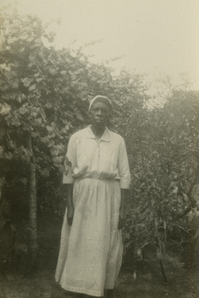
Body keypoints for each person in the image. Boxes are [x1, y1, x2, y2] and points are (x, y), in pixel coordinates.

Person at [55, 95, 131, 298]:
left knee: (104, 242)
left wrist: (123, 210)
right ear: (89, 112)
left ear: (109, 115)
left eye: (103, 111)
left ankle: (102, 286)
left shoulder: (117, 141)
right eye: (96, 109)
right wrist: (70, 206)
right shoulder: (77, 138)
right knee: (79, 239)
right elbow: (68, 173)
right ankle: (75, 285)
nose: (99, 113)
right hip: (82, 196)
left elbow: (124, 176)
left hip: (108, 196)